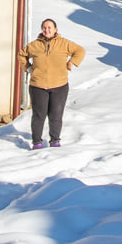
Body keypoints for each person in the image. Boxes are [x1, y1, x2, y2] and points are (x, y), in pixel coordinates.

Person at [21, 18, 85, 149]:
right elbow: (22, 55)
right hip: (38, 86)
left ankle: (55, 140)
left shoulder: (64, 43)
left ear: (55, 29)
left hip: (59, 85)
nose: (47, 30)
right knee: (39, 115)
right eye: (44, 27)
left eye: (50, 27)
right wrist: (27, 67)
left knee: (56, 114)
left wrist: (71, 62)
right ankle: (37, 142)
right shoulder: (34, 45)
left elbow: (80, 51)